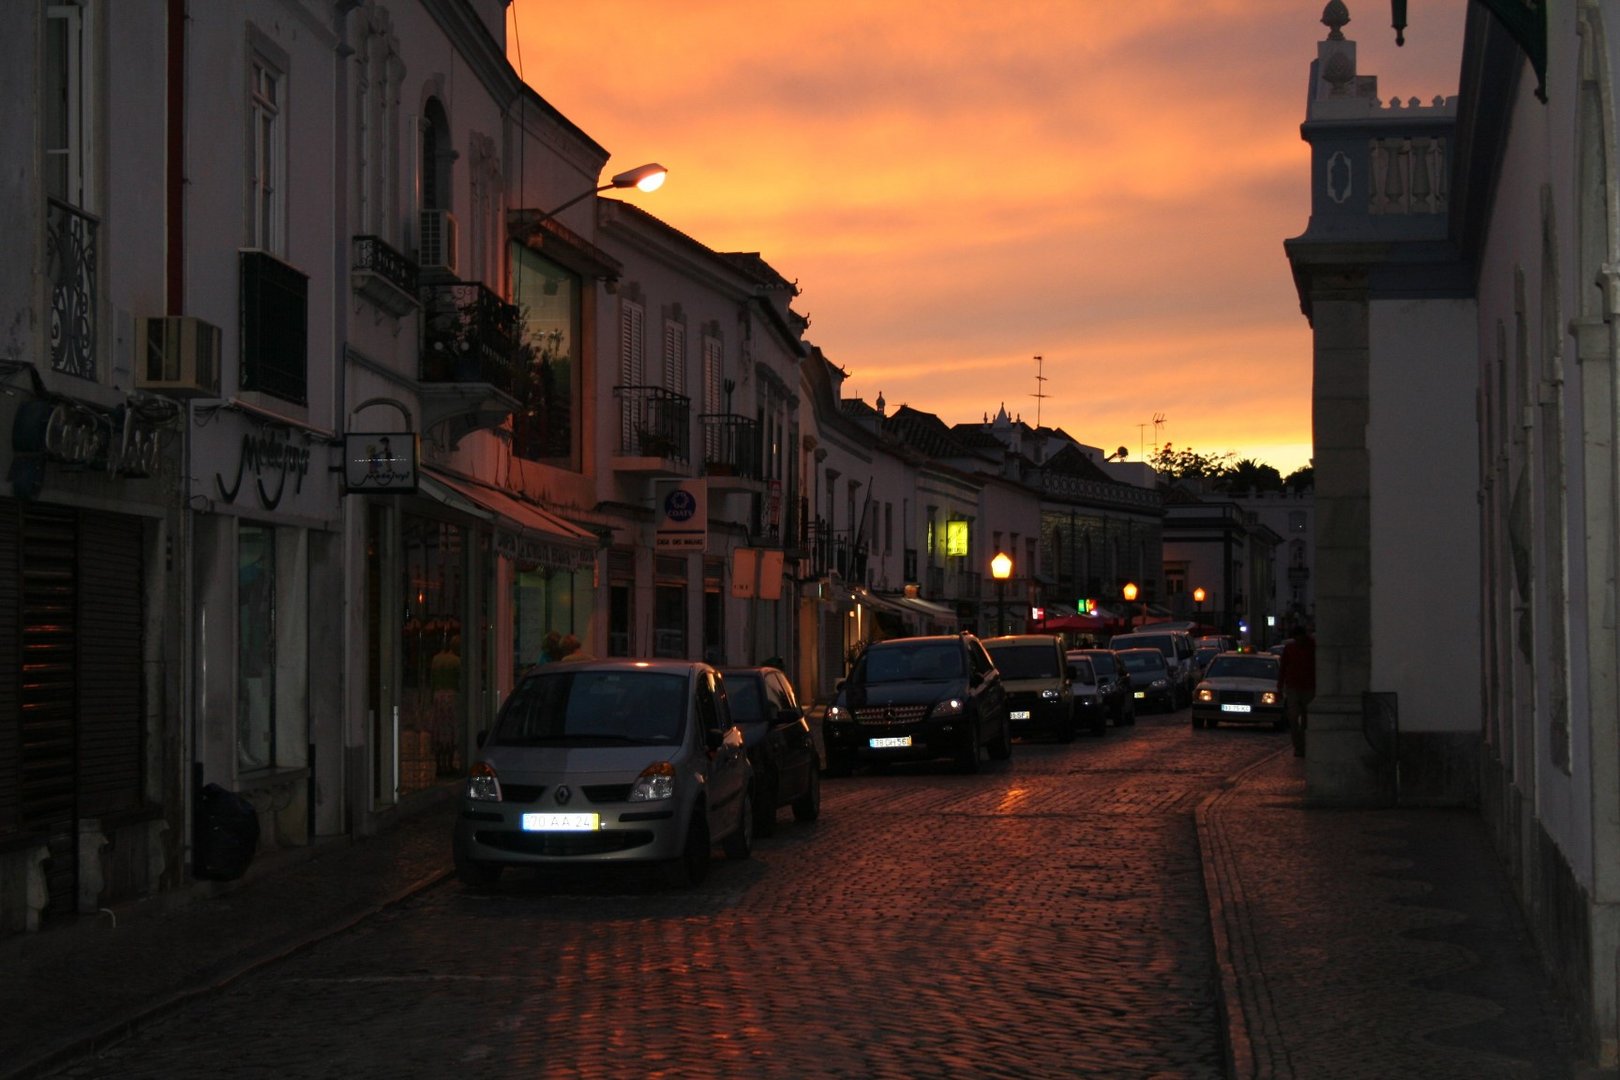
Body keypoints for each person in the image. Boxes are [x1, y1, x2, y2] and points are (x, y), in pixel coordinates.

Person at [1277, 622, 1317, 757]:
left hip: (1309, 687)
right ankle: (1298, 746)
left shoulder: (1312, 646)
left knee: (1307, 720)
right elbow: (1283, 668)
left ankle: (1305, 746)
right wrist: (1279, 686)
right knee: (1293, 718)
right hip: (1293, 687)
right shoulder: (1290, 649)